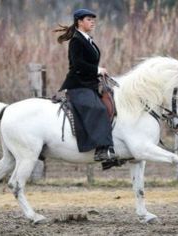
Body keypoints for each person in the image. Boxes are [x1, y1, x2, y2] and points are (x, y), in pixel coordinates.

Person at [54, 9, 116, 165]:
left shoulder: (88, 39)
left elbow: (88, 62)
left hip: (90, 83)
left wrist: (98, 72)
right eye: (89, 19)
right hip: (77, 85)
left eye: (93, 19)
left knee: (111, 102)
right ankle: (102, 150)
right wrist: (97, 70)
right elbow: (78, 65)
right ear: (79, 22)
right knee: (98, 108)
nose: (93, 22)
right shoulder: (76, 40)